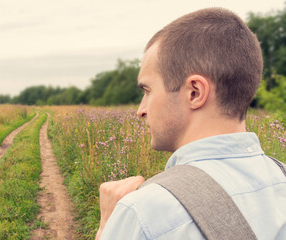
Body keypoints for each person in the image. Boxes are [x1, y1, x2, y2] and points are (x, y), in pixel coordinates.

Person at [96, 8, 286, 240]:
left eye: (147, 90)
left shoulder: (143, 213)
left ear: (194, 93)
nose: (140, 110)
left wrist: (108, 226)